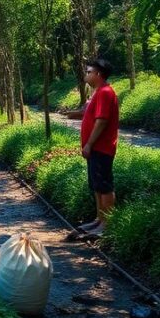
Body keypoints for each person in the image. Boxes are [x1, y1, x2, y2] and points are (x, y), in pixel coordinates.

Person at [62, 58, 119, 238]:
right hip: (95, 149)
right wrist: (73, 115)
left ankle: (108, 224)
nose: (86, 75)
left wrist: (89, 144)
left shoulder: (105, 92)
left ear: (98, 74)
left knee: (104, 185)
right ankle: (99, 219)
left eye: (89, 72)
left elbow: (102, 121)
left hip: (101, 148)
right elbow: (90, 115)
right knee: (96, 185)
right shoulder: (97, 93)